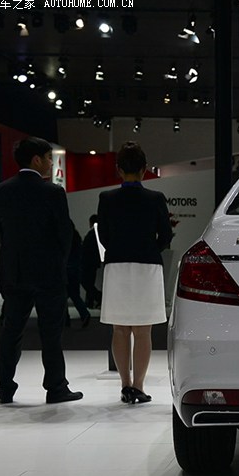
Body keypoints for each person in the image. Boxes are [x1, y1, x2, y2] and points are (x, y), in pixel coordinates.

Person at [0, 137, 83, 404]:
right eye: (49, 158)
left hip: (15, 272)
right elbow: (65, 233)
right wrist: (58, 261)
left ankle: (4, 389)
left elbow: (1, 232)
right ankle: (55, 388)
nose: (52, 163)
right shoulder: (53, 193)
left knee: (11, 331)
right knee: (51, 333)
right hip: (48, 272)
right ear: (37, 159)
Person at [97, 141, 172, 404]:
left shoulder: (107, 198)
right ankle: (138, 386)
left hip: (116, 265)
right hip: (147, 266)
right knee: (143, 330)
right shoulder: (155, 198)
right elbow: (166, 236)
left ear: (119, 169)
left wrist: (120, 248)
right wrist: (149, 248)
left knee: (119, 329)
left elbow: (103, 235)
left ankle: (125, 385)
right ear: (144, 169)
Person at [66, 226, 91, 327]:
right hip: (75, 269)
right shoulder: (77, 240)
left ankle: (65, 319)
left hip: (67, 269)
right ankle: (84, 313)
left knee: (64, 295)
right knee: (75, 294)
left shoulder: (67, 240)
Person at [81, 214, 102, 308]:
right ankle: (91, 301)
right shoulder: (96, 234)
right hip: (92, 262)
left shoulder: (92, 234)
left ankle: (98, 298)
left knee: (86, 282)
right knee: (89, 282)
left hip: (89, 262)